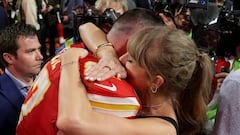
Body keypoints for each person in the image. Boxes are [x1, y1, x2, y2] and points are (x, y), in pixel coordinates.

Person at [16, 8, 164, 134]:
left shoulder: (75, 49)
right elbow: (71, 122)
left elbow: (87, 27)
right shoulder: (116, 89)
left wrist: (106, 51)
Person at [57, 26, 212, 135]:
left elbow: (71, 121)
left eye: (130, 60)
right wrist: (108, 54)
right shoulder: (150, 89)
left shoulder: (162, 129)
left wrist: (69, 61)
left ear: (155, 82)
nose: (121, 60)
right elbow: (87, 27)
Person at [0, 24, 43, 135]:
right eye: (30, 51)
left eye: (39, 49)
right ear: (9, 58)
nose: (40, 56)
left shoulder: (47, 76)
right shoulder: (3, 103)